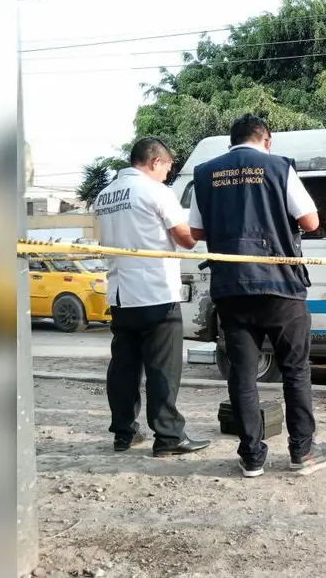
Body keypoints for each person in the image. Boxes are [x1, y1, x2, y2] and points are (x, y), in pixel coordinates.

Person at [188, 113, 326, 478]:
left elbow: (196, 230)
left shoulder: (205, 173)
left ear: (231, 142)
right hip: (281, 286)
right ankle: (302, 452)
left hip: (231, 289)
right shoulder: (278, 167)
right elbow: (311, 221)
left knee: (242, 375)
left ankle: (252, 457)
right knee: (295, 370)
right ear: (267, 140)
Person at [95, 137, 211, 457]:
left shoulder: (104, 196)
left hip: (120, 293)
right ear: (155, 162)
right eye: (167, 170)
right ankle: (169, 436)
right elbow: (186, 240)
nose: (166, 177)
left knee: (124, 367)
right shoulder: (156, 191)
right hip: (156, 293)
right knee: (163, 368)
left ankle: (124, 433)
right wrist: (206, 225)